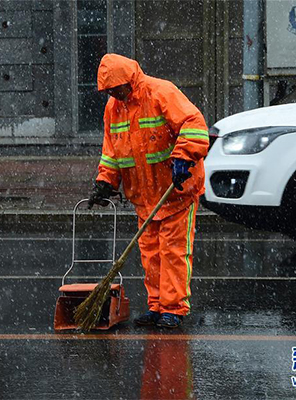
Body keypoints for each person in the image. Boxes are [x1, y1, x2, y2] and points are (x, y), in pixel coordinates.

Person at [87, 54, 209, 328]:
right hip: (144, 198)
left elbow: (194, 124)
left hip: (175, 192)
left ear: (128, 82)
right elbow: (112, 151)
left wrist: (184, 157)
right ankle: (156, 306)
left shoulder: (160, 93)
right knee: (151, 256)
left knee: (174, 253)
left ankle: (174, 309)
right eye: (108, 92)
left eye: (115, 89)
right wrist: (105, 181)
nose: (112, 95)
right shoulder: (113, 109)